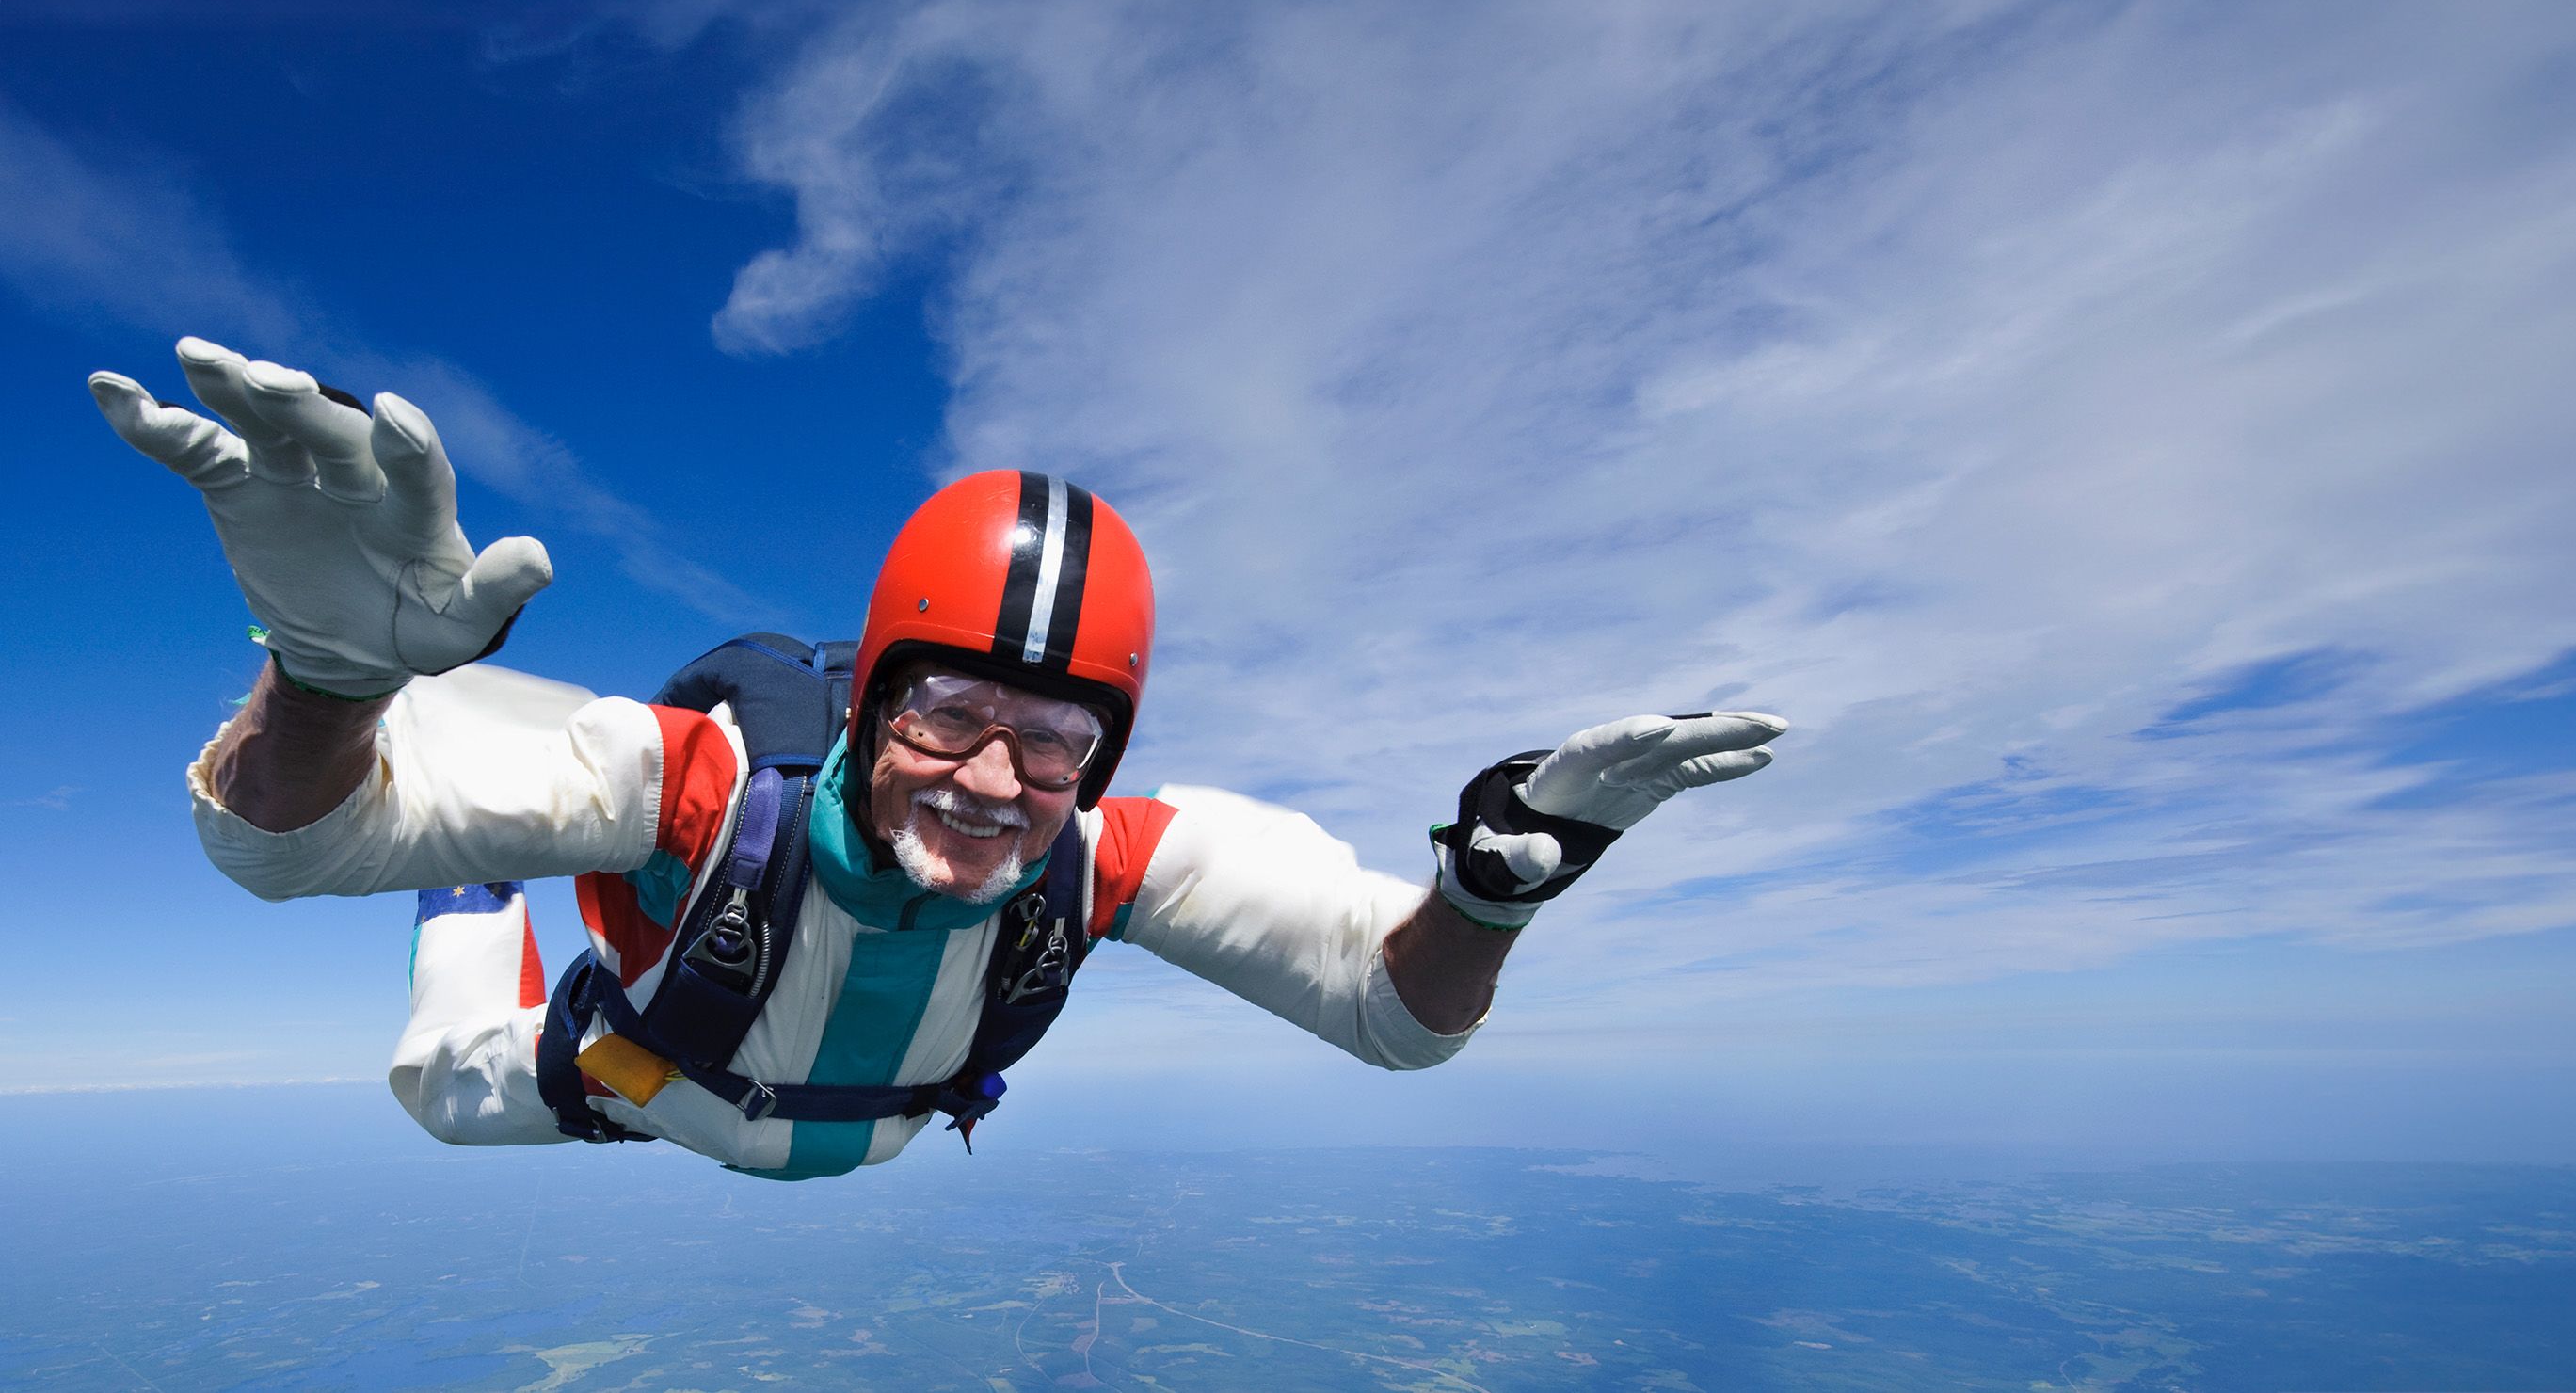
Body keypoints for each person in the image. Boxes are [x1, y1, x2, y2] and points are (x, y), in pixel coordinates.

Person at [90, 337, 1786, 1180]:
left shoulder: (1111, 858)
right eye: (946, 716)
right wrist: (317, 681)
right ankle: (473, 835)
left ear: (1105, 759)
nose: (993, 780)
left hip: (832, 1115)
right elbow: (273, 848)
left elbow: (1390, 1019)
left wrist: (1489, 898)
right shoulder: (685, 778)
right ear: (873, 697)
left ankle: (449, 777)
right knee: (452, 1087)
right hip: (637, 1080)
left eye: (1056, 743)